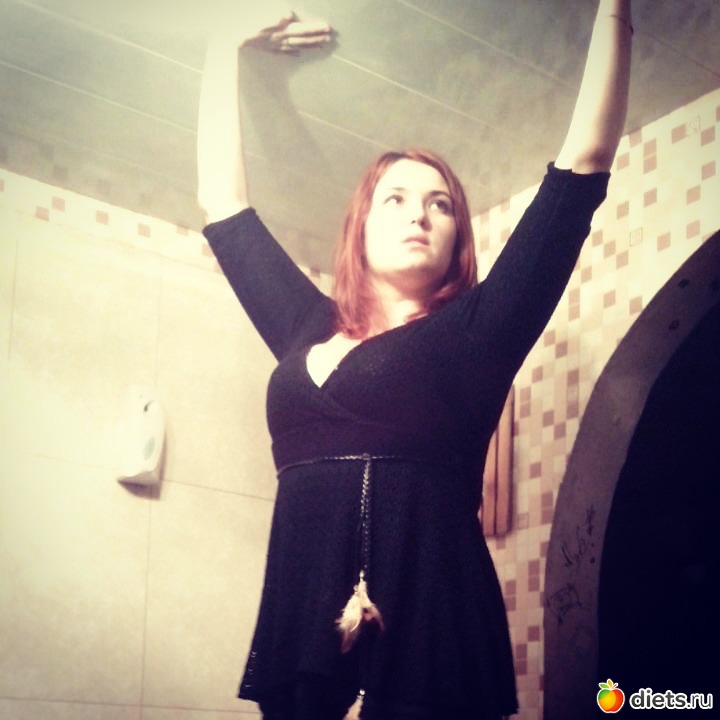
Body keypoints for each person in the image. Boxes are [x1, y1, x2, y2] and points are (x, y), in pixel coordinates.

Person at [197, 2, 632, 719]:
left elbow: (583, 164)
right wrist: (221, 45)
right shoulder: (305, 325)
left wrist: (615, 9)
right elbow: (222, 206)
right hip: (302, 613)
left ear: (458, 237)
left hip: (435, 624)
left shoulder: (478, 333)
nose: (418, 214)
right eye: (395, 198)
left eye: (441, 204)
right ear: (361, 226)